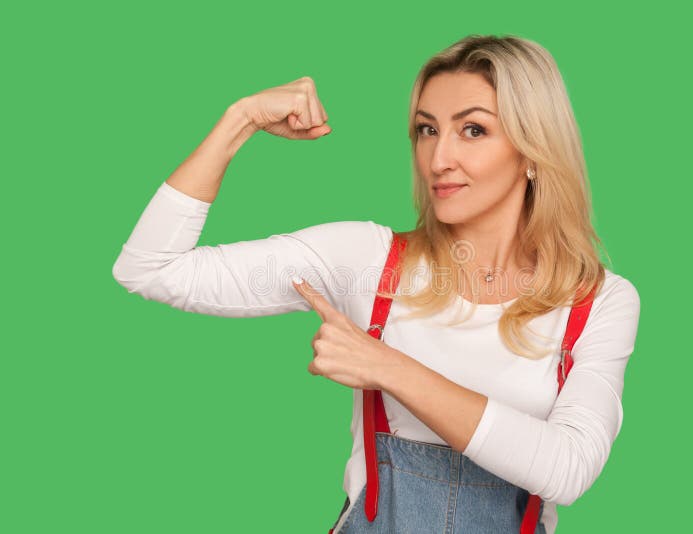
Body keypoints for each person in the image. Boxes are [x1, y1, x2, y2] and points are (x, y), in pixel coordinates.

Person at [112, 34, 641, 534]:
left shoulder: (598, 302)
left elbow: (568, 469)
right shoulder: (368, 260)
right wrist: (239, 119)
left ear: (532, 150)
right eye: (427, 129)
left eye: (473, 129)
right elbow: (151, 268)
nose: (439, 159)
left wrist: (386, 365)